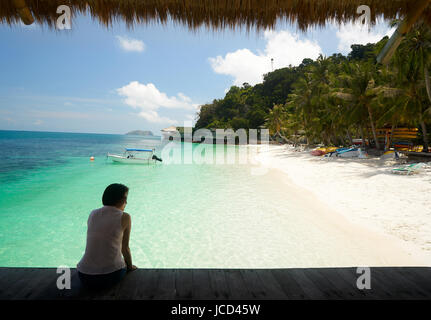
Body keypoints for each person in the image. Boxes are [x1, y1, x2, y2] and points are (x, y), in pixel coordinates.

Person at [77, 183, 137, 289]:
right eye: (125, 199)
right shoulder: (125, 217)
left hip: (83, 274)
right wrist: (130, 267)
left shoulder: (93, 213)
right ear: (120, 200)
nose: (126, 202)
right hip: (109, 276)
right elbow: (125, 248)